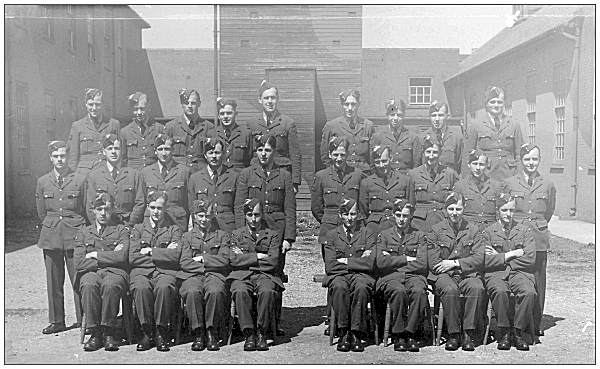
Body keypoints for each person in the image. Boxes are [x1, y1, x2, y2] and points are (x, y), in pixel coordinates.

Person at [235, 134, 296, 334]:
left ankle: (273, 323)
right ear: (255, 152)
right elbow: (239, 207)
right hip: (253, 231)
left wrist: (288, 237)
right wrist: (240, 235)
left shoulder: (284, 175)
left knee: (274, 277)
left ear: (274, 152)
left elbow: (290, 208)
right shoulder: (246, 174)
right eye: (260, 150)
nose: (263, 154)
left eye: (267, 150)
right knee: (249, 273)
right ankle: (251, 324)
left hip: (275, 234)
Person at [503, 144, 556, 337]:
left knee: (538, 282)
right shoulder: (510, 183)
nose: (531, 163)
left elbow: (549, 211)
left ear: (539, 160)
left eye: (534, 159)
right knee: (516, 278)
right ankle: (513, 322)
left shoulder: (548, 184)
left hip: (539, 239)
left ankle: (535, 323)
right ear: (520, 161)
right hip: (518, 239)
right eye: (527, 159)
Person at [36, 140, 85, 334]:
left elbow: (84, 206)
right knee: (54, 281)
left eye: (63, 156)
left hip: (74, 234)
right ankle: (57, 321)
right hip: (51, 235)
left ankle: (84, 319)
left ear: (68, 157)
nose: (60, 160)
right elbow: (41, 212)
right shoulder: (43, 181)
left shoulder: (79, 179)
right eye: (56, 156)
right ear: (50, 158)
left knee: (79, 279)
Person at [427, 193, 486, 351]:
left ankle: (468, 333)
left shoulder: (473, 230)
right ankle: (453, 334)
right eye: (451, 208)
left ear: (464, 209)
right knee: (450, 289)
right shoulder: (436, 230)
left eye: (458, 209)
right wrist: (447, 267)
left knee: (477, 288)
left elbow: (479, 258)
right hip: (444, 275)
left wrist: (454, 263)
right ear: (445, 209)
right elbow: (433, 262)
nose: (454, 212)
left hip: (467, 274)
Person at [74, 193, 130, 351]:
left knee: (111, 285)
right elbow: (79, 262)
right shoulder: (84, 232)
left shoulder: (121, 230)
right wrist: (111, 256)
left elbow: (122, 257)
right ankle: (95, 333)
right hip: (91, 272)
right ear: (93, 210)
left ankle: (108, 332)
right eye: (99, 209)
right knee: (89, 284)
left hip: (115, 272)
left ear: (112, 210)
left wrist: (95, 255)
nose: (103, 213)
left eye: (107, 209)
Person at [482, 194, 537, 351]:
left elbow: (530, 259)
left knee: (529, 293)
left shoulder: (525, 230)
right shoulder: (488, 232)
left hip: (520, 273)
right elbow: (486, 261)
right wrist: (512, 254)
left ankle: (517, 332)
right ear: (498, 211)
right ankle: (504, 332)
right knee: (500, 291)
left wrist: (500, 258)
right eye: (504, 210)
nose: (508, 214)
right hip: (496, 274)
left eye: (512, 210)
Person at [129, 191, 183, 352]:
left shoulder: (174, 230)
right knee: (140, 288)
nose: (156, 212)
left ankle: (160, 332)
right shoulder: (138, 229)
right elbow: (133, 257)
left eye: (159, 208)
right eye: (152, 207)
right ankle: (147, 332)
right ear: (147, 208)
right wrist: (163, 252)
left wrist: (150, 251)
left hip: (165, 272)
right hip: (141, 272)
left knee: (164, 287)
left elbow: (175, 257)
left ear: (165, 209)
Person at [228, 198, 283, 351]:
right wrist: (258, 256)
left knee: (267, 291)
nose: (253, 219)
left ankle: (261, 333)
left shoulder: (272, 235)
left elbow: (272, 262)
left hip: (265, 275)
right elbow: (233, 260)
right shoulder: (236, 234)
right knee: (239, 291)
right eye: (250, 214)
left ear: (263, 215)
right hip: (242, 276)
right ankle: (249, 334)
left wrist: (245, 258)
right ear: (245, 215)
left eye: (257, 215)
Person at [322, 198, 377, 352]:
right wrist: (359, 261)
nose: (350, 218)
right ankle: (344, 332)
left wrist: (345, 261)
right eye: (346, 214)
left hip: (362, 276)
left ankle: (356, 332)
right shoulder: (332, 235)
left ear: (358, 214)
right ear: (340, 215)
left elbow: (370, 263)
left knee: (361, 288)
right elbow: (330, 265)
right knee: (339, 287)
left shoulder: (368, 233)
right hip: (339, 276)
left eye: (353, 214)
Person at [375, 199, 428, 352]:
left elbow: (422, 263)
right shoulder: (384, 235)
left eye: (405, 215)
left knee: (419, 292)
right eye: (398, 215)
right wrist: (405, 259)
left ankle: (410, 333)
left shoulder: (419, 235)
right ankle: (398, 334)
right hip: (390, 277)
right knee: (398, 291)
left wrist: (393, 262)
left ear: (411, 216)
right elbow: (380, 263)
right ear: (393, 215)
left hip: (413, 277)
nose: (401, 219)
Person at [178, 200, 230, 351]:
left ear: (213, 216)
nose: (204, 219)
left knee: (215, 291)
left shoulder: (221, 235)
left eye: (207, 216)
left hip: (214, 275)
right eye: (200, 215)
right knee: (192, 291)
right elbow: (185, 263)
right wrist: (210, 264)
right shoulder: (187, 237)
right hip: (193, 275)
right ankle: (198, 333)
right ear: (194, 216)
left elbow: (224, 260)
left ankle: (211, 332)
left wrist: (203, 259)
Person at [311, 136, 363, 249]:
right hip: (329, 229)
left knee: (352, 265)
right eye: (335, 154)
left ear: (347, 155)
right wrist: (328, 220)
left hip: (353, 229)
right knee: (331, 265)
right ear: (330, 154)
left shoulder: (357, 175)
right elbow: (316, 207)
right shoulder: (321, 176)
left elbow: (363, 204)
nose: (339, 159)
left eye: (342, 155)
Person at [248, 81, 301, 191]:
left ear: (278, 99)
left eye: (273, 98)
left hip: (281, 174)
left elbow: (295, 154)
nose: (270, 101)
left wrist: (295, 182)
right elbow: (248, 154)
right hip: (257, 175)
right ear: (260, 100)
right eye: (266, 98)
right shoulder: (251, 123)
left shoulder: (288, 123)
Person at [464, 86, 524, 181]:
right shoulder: (476, 125)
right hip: (486, 175)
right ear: (486, 104)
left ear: (504, 103)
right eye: (492, 102)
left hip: (509, 175)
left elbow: (519, 154)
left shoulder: (514, 124)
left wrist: (520, 175)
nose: (496, 105)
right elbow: (468, 154)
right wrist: (466, 181)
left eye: (499, 102)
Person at [85, 134, 145, 226]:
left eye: (117, 148)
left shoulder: (134, 175)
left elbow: (140, 203)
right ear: (104, 152)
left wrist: (130, 224)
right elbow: (90, 206)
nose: (113, 152)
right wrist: (99, 226)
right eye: (110, 148)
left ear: (122, 151)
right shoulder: (94, 176)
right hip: (104, 226)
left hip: (127, 225)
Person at [359, 145, 415, 235]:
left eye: (384, 161)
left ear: (391, 158)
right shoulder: (366, 183)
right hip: (374, 230)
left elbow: (410, 206)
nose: (381, 165)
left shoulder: (405, 180)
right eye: (377, 162)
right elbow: (363, 211)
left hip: (397, 229)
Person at [140, 134, 191, 232]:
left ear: (172, 150)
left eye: (167, 149)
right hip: (153, 223)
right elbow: (142, 201)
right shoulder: (145, 172)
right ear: (155, 151)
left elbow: (188, 202)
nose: (163, 153)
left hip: (177, 222)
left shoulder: (184, 171)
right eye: (160, 149)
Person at [188, 137, 239, 233]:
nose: (214, 156)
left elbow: (238, 208)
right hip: (205, 229)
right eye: (210, 153)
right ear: (205, 155)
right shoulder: (195, 178)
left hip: (227, 228)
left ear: (223, 154)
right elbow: (192, 208)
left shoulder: (233, 176)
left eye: (217, 153)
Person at [408, 138, 459, 232]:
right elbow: (410, 203)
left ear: (440, 154)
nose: (431, 156)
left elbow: (455, 202)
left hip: (442, 223)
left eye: (435, 152)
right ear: (423, 153)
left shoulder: (449, 174)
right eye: (428, 152)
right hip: (419, 224)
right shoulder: (413, 174)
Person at [67, 88, 121, 174]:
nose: (94, 108)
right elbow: (73, 158)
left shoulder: (113, 124)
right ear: (85, 104)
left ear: (102, 104)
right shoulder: (77, 126)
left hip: (106, 174)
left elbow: (119, 154)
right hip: (85, 175)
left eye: (98, 104)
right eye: (91, 104)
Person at [320, 89, 375, 173]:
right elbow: (325, 155)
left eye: (353, 104)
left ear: (358, 104)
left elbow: (373, 155)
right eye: (346, 104)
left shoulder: (368, 125)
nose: (350, 108)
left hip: (364, 173)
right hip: (342, 173)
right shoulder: (331, 126)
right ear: (342, 105)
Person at [454, 149, 506, 232]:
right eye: (474, 164)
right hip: (468, 231)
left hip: (490, 231)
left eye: (481, 164)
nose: (478, 168)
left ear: (486, 165)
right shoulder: (460, 186)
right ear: (468, 164)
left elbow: (500, 212)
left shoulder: (496, 186)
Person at [165, 89, 214, 173]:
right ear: (181, 104)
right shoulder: (171, 127)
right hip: (178, 173)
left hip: (200, 173)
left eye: (193, 103)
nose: (190, 106)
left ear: (199, 104)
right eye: (186, 103)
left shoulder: (208, 127)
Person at [371, 98, 421, 174]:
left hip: (406, 179)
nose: (395, 118)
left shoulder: (413, 137)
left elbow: (416, 164)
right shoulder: (378, 136)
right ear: (387, 116)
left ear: (404, 116)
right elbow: (372, 163)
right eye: (392, 115)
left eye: (399, 115)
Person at [120, 91, 166, 170]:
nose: (139, 113)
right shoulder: (125, 132)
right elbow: (123, 159)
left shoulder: (159, 129)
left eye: (142, 109)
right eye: (136, 109)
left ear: (149, 108)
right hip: (134, 174)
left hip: (153, 174)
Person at [422, 101, 463, 174]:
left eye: (440, 115)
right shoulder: (422, 137)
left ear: (447, 116)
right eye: (434, 115)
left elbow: (460, 165)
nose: (437, 119)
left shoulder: (457, 138)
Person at [213, 97, 253, 172]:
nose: (225, 116)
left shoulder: (246, 134)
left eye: (229, 113)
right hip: (220, 177)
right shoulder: (212, 134)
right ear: (218, 116)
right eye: (222, 114)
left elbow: (250, 159)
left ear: (236, 114)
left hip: (239, 177)